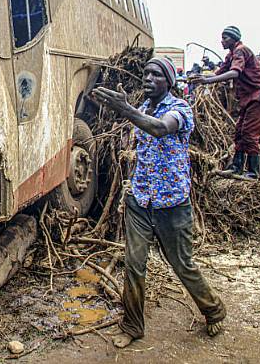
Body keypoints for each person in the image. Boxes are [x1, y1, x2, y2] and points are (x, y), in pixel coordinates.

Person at [91, 57, 226, 347]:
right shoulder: (142, 109)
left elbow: (161, 129)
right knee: (134, 264)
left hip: (172, 205)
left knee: (182, 265)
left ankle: (213, 309)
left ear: (169, 81)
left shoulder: (179, 109)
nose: (148, 78)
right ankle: (132, 326)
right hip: (140, 200)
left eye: (156, 74)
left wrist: (125, 109)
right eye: (146, 74)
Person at [188, 26, 260, 179]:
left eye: (225, 38)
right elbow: (220, 72)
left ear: (234, 39)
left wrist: (207, 80)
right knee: (240, 131)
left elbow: (235, 72)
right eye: (222, 38)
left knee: (249, 133)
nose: (222, 41)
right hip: (250, 96)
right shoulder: (231, 55)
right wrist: (198, 78)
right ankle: (236, 167)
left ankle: (253, 172)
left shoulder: (241, 50)